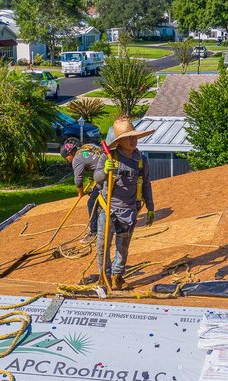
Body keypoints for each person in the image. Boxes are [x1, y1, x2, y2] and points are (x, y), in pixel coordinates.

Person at [93, 118, 156, 289]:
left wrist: (150, 208)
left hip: (129, 211)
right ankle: (104, 278)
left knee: (123, 246)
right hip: (108, 209)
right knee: (103, 246)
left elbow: (146, 184)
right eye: (128, 138)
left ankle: (117, 276)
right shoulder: (108, 157)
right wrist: (105, 170)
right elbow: (97, 180)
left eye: (134, 137)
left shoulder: (141, 160)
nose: (133, 140)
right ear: (119, 141)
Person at [60, 141, 102, 243]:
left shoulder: (77, 159)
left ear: (69, 154)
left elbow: (78, 180)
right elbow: (96, 159)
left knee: (91, 202)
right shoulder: (87, 147)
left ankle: (94, 231)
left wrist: (81, 192)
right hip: (109, 168)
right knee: (97, 197)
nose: (68, 162)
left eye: (67, 159)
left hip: (105, 175)